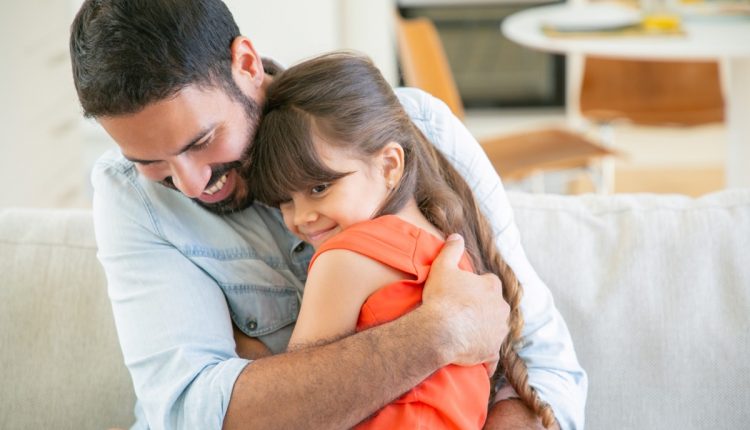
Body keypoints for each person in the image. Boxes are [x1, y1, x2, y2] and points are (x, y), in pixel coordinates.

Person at [69, 0, 587, 429]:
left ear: (246, 64)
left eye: (203, 142)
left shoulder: (414, 127)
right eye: (151, 163)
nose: (190, 184)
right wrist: (438, 333)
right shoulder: (131, 200)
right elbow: (192, 412)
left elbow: (541, 360)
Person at [248, 52, 556, 429]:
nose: (301, 217)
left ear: (390, 165)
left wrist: (238, 344)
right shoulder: (456, 257)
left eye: (319, 187)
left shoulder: (343, 260)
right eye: (285, 200)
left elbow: (297, 405)